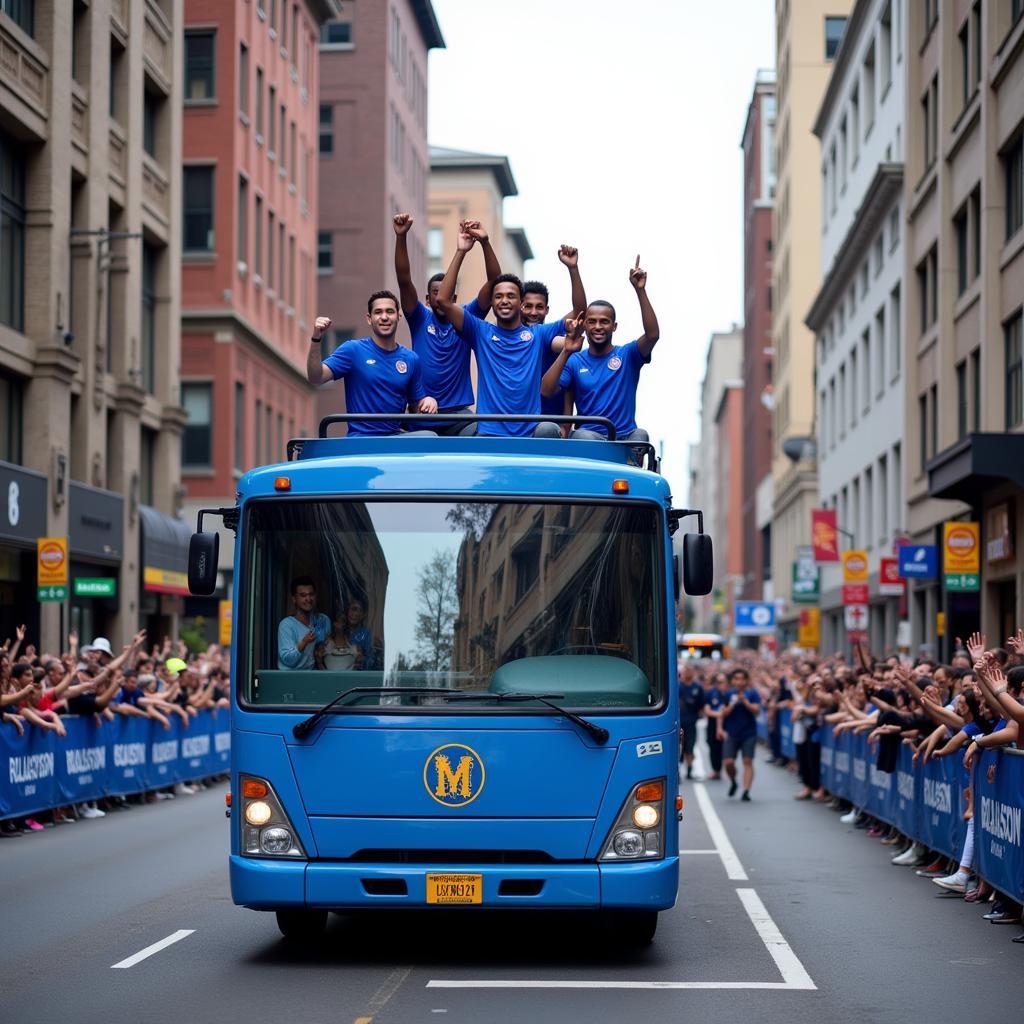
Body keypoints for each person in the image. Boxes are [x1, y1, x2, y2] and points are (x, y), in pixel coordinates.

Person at [434, 230, 584, 437]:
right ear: (492, 302)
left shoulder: (537, 334)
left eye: (511, 296)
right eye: (498, 296)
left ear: (521, 303)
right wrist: (461, 251)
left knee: (549, 430)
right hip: (489, 433)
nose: (504, 300)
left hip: (529, 433)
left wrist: (573, 269)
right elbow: (443, 300)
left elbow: (579, 312)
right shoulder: (479, 331)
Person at [393, 214, 498, 435]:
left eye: (447, 293)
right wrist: (401, 237)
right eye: (436, 293)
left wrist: (485, 243)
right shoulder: (420, 317)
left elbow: (494, 284)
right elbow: (404, 279)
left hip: (459, 414)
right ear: (428, 299)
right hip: (422, 411)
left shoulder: (467, 318)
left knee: (484, 432)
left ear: (455, 298)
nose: (442, 297)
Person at [541, 255, 658, 449]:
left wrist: (640, 291)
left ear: (614, 326)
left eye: (604, 321)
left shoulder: (627, 355)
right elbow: (546, 390)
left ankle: (629, 466)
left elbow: (652, 335)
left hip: (624, 438)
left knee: (641, 435)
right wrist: (566, 352)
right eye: (592, 321)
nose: (598, 326)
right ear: (584, 325)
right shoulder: (575, 361)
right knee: (580, 436)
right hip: (589, 439)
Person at [307, 292, 438, 435]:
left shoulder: (411, 359)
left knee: (429, 436)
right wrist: (316, 338)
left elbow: (416, 405)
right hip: (361, 440)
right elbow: (316, 377)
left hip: (395, 439)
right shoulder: (353, 350)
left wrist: (428, 400)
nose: (384, 317)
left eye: (390, 311)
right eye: (378, 312)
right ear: (369, 319)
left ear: (399, 317)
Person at [720, 667, 761, 801]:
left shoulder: (752, 693)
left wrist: (744, 701)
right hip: (732, 733)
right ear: (733, 681)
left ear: (746, 680)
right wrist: (733, 704)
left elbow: (757, 711)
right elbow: (723, 712)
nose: (739, 682)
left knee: (747, 761)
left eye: (742, 679)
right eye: (737, 679)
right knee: (728, 762)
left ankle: (746, 791)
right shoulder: (729, 694)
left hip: (749, 733)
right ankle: (733, 781)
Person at [277, 577, 331, 670]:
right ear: (294, 599)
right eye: (303, 595)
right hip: (290, 679)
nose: (308, 599)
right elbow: (288, 660)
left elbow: (329, 650)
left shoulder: (323, 620)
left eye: (311, 594)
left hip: (313, 677)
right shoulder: (286, 625)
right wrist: (304, 642)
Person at [678, 664, 705, 780]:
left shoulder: (697, 687)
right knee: (678, 747)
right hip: (679, 721)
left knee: (690, 745)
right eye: (686, 670)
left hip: (691, 721)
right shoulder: (678, 686)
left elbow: (701, 704)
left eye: (690, 670)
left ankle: (689, 769)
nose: (688, 673)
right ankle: (677, 770)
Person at [703, 670, 729, 780]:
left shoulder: (730, 693)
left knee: (725, 747)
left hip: (728, 723)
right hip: (712, 723)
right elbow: (707, 710)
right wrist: (719, 714)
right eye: (718, 682)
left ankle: (725, 768)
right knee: (713, 746)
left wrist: (723, 714)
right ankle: (716, 769)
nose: (720, 684)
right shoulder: (710, 693)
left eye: (723, 682)